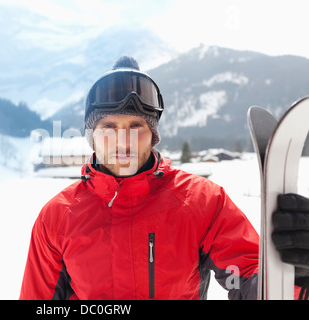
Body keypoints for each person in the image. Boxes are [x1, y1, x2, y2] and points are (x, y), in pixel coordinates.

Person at [20, 56, 309, 300]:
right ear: (91, 137)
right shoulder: (57, 217)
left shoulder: (202, 202)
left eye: (136, 126)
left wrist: (294, 275)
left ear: (154, 135)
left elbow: (247, 280)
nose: (123, 141)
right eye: (108, 126)